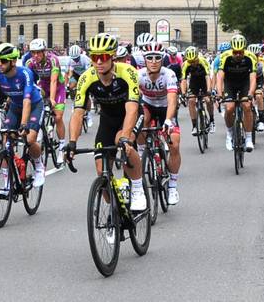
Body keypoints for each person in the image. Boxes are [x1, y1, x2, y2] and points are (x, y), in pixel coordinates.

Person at [66, 33, 147, 211]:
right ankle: (115, 213)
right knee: (101, 170)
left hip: (129, 114)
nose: (99, 62)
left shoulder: (128, 72)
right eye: (95, 57)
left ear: (112, 57)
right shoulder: (87, 78)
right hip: (108, 119)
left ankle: (138, 188)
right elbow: (78, 113)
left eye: (103, 57)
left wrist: (126, 136)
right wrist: (72, 142)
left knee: (122, 141)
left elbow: (132, 108)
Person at [0, 43, 45, 191]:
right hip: (15, 107)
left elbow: (27, 101)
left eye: (3, 61)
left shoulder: (25, 74)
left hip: (34, 105)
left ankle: (39, 166)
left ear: (12, 61)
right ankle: (7, 183)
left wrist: (24, 124)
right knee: (7, 142)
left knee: (29, 139)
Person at [136, 41, 182, 205]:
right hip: (148, 105)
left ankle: (172, 186)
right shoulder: (138, 75)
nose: (153, 61)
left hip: (165, 108)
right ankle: (142, 152)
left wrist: (169, 120)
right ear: (145, 59)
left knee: (174, 144)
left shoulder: (168, 74)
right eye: (150, 58)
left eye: (157, 57)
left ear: (162, 59)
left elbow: (171, 101)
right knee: (139, 123)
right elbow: (133, 100)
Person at [26, 38, 67, 165]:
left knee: (58, 117)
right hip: (43, 87)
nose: (36, 55)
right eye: (33, 53)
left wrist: (52, 99)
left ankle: (61, 147)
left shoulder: (53, 60)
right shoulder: (30, 62)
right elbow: (29, 81)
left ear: (44, 52)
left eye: (38, 52)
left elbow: (54, 81)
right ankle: (41, 133)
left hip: (58, 88)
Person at [216, 34, 257, 152]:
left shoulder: (251, 57)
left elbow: (253, 78)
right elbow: (220, 78)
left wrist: (250, 94)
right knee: (229, 108)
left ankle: (248, 138)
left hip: (244, 83)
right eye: (235, 52)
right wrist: (219, 94)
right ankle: (229, 134)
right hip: (230, 84)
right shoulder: (225, 57)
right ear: (232, 50)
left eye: (240, 52)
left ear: (244, 50)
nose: (238, 55)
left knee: (247, 106)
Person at [180, 46, 215, 135]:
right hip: (194, 82)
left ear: (197, 57)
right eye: (190, 61)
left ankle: (211, 121)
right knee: (191, 101)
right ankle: (195, 126)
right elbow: (183, 80)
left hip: (204, 82)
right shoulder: (185, 64)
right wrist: (183, 93)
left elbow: (208, 77)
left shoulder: (203, 61)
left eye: (194, 61)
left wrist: (208, 90)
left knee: (207, 100)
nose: (192, 63)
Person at [66, 44, 93, 127]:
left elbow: (88, 73)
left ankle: (88, 115)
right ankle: (75, 102)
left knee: (86, 94)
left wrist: (83, 83)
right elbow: (70, 72)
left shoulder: (85, 59)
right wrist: (68, 82)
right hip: (76, 75)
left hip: (85, 74)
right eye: (74, 58)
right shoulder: (70, 60)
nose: (75, 60)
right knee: (71, 87)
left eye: (77, 58)